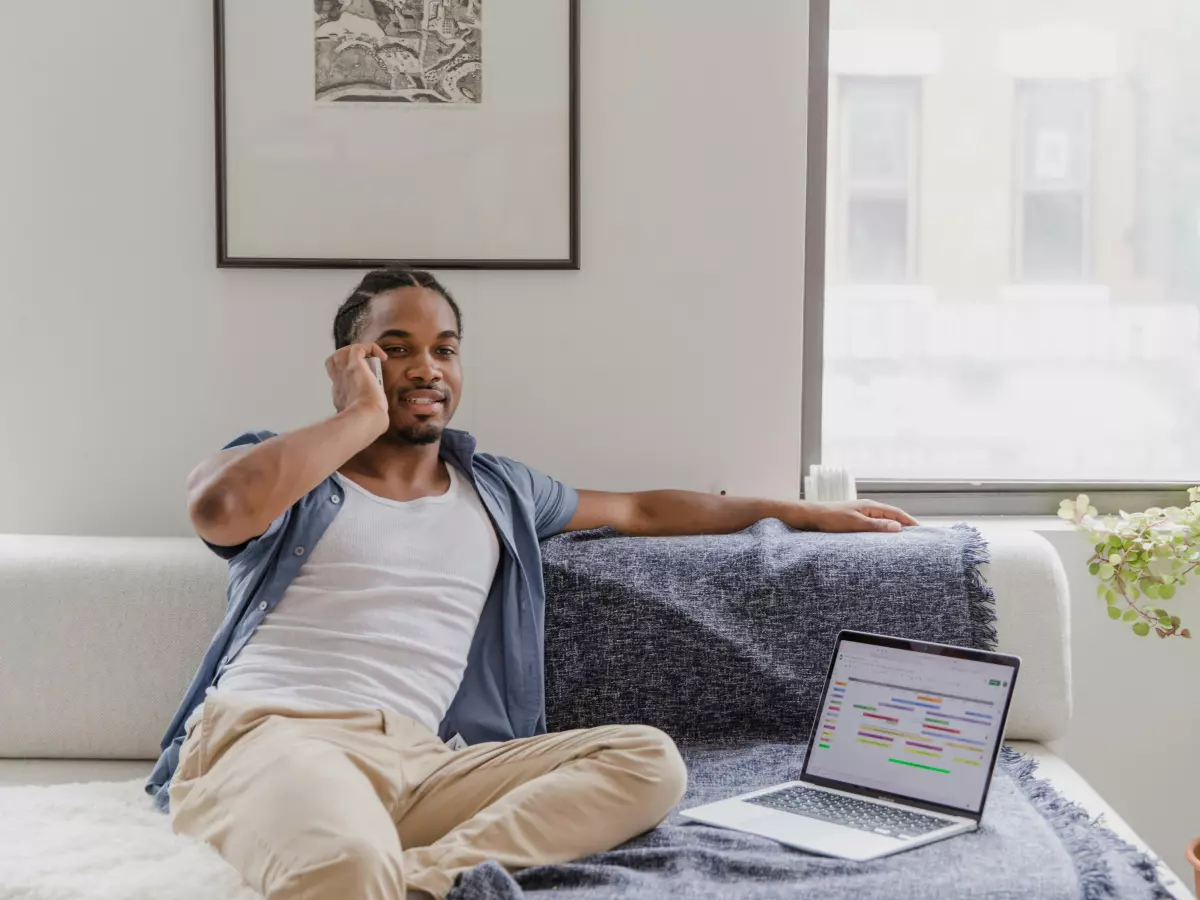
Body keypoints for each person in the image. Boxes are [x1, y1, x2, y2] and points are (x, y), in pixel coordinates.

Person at [146, 268, 917, 900]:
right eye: (396, 347)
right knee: (344, 868)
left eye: (444, 350)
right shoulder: (294, 470)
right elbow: (220, 510)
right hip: (275, 735)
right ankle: (370, 873)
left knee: (647, 761)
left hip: (422, 761)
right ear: (352, 363)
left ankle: (420, 882)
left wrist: (804, 512)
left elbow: (643, 508)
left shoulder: (499, 490)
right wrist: (359, 418)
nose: (427, 368)